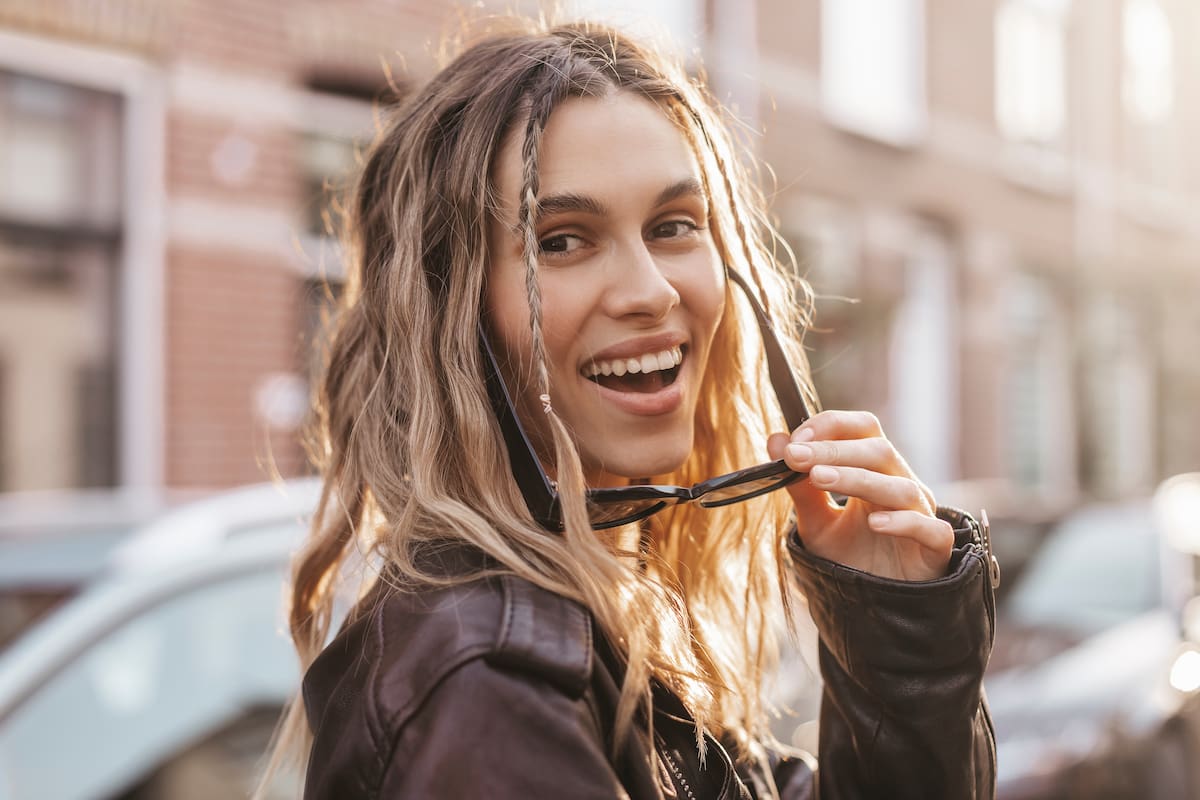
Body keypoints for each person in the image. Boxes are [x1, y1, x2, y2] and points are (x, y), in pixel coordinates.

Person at [265, 16, 997, 800]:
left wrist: (897, 654)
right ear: (451, 312)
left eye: (674, 225)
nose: (652, 289)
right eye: (562, 240)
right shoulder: (484, 689)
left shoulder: (602, 624)